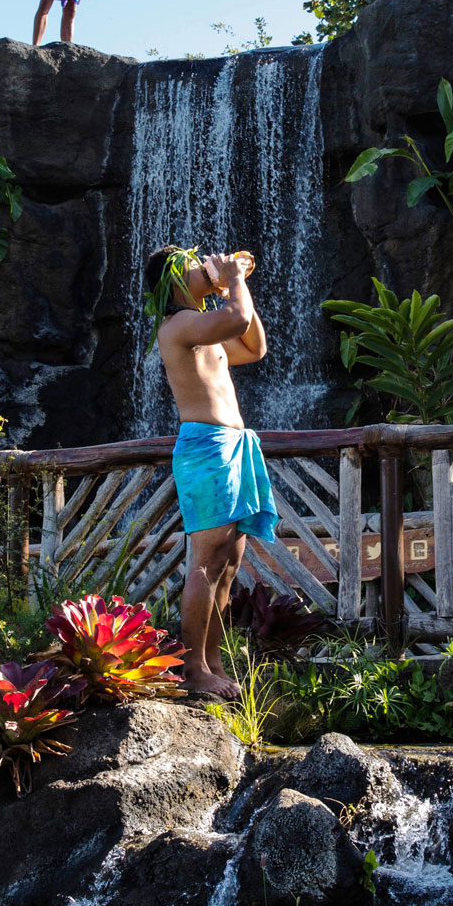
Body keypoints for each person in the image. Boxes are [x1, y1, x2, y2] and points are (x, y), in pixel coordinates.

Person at [149, 243, 275, 702]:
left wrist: (232, 284)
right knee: (205, 561)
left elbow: (254, 346)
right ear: (174, 281)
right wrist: (233, 281)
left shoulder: (204, 327)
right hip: (206, 448)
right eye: (193, 265)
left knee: (229, 562)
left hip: (233, 447)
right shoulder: (180, 325)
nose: (205, 266)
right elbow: (237, 320)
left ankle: (214, 661)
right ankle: (194, 669)